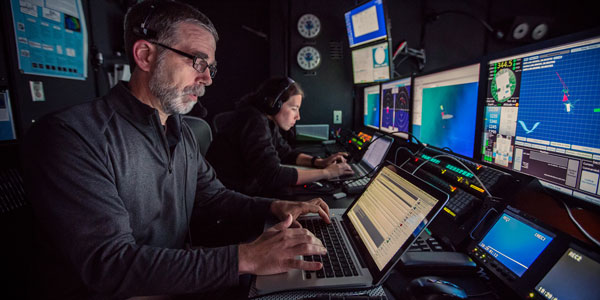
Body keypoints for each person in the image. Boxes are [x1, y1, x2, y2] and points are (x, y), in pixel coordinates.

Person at [21, 1, 330, 299]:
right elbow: (111, 265)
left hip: (173, 279)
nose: (207, 78)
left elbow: (214, 196)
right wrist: (245, 257)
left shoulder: (178, 131)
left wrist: (274, 207)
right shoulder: (73, 136)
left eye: (210, 67)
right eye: (197, 61)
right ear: (145, 55)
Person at [206, 77, 354, 196]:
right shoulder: (252, 120)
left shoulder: (266, 120)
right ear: (273, 104)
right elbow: (273, 175)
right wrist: (326, 173)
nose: (298, 116)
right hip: (232, 200)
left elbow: (286, 153)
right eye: (294, 108)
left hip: (243, 192)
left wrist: (319, 162)